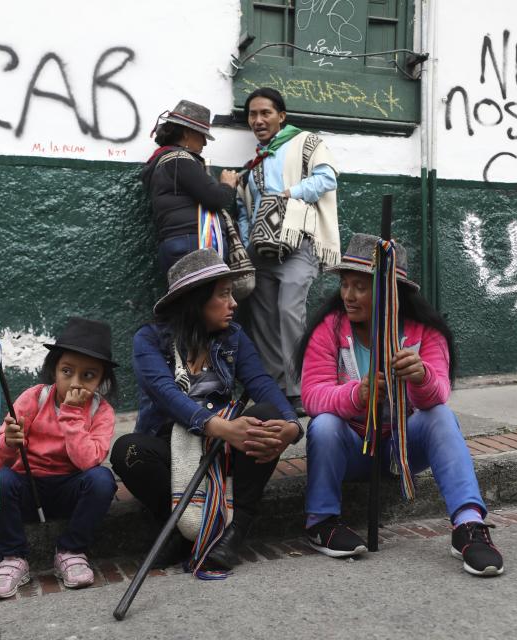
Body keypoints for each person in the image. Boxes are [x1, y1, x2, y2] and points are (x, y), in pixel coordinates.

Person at [295, 233, 505, 577]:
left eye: (361, 287)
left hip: (401, 452)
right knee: (324, 424)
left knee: (440, 416)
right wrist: (356, 395)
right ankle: (322, 522)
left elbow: (438, 393)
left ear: (391, 291)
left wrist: (420, 377)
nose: (348, 295)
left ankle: (469, 527)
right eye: (345, 285)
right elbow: (312, 396)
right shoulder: (330, 329)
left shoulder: (424, 332)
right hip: (351, 449)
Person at [110, 248, 303, 572]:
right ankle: (178, 528)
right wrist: (219, 427)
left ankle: (235, 528)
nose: (234, 304)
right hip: (172, 446)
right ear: (196, 301)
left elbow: (261, 383)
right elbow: (166, 394)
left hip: (221, 450)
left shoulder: (234, 338)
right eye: (224, 295)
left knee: (268, 416)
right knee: (128, 451)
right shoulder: (149, 340)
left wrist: (292, 427)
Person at [0, 317, 120, 598]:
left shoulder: (101, 412)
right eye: (67, 371)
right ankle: (12, 558)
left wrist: (71, 415)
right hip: (28, 489)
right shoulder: (34, 398)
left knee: (102, 479)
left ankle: (71, 551)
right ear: (54, 370)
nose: (75, 382)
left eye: (88, 375)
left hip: (71, 492)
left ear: (102, 381)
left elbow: (88, 461)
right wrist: (9, 442)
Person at [236, 87, 340, 412]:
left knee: (289, 311)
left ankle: (301, 388)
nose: (258, 120)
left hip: (298, 243)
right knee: (263, 316)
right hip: (261, 248)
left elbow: (327, 178)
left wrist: (290, 193)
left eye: (265, 113)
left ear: (281, 116)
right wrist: (245, 240)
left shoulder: (306, 143)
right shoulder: (254, 161)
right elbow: (246, 209)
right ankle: (276, 386)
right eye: (252, 114)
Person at [141, 100, 241, 274]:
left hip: (178, 245)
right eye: (202, 136)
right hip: (193, 245)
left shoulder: (163, 161)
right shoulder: (180, 159)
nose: (205, 143)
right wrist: (227, 184)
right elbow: (215, 198)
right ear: (187, 133)